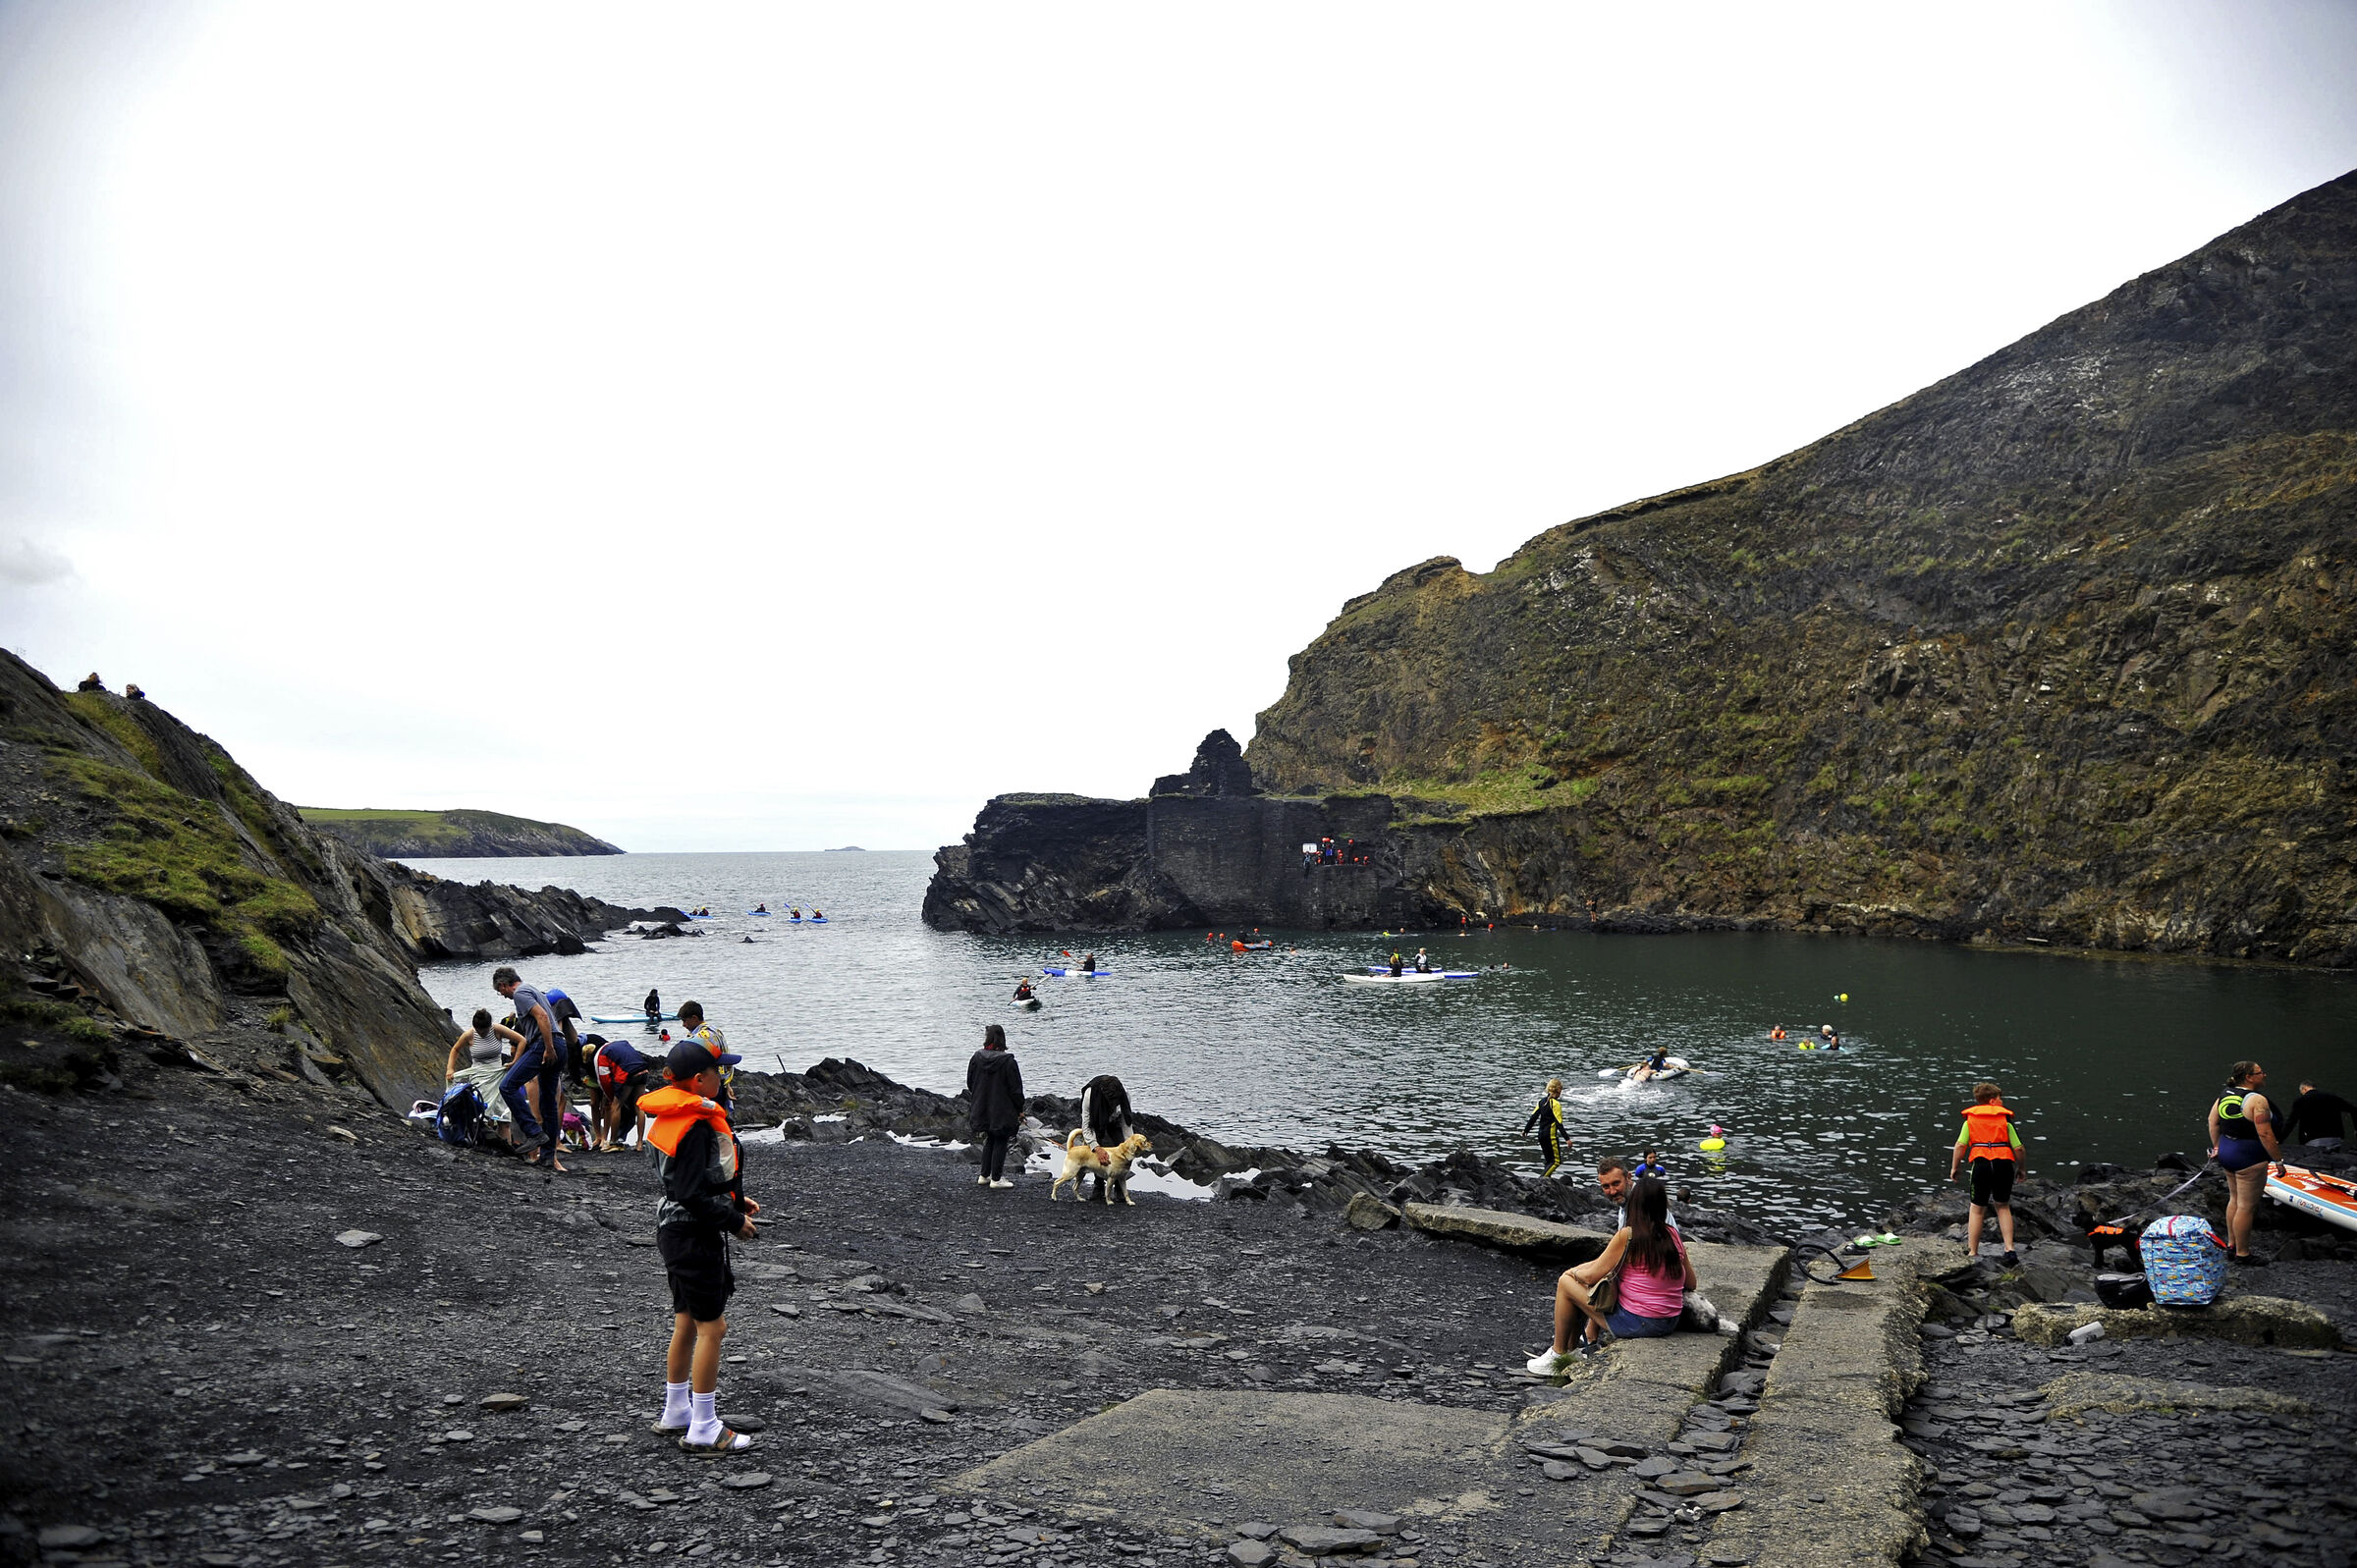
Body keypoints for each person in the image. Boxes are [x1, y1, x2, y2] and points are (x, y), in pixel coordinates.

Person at [640, 1039, 759, 1454]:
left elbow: (683, 1183)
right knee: (714, 1327)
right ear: (699, 1079)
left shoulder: (675, 1119)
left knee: (686, 1321)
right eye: (718, 1072)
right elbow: (690, 1192)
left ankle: (677, 1411)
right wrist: (732, 1219)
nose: (722, 1077)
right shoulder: (693, 1124)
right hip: (692, 1235)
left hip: (673, 1230)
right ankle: (705, 1426)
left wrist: (733, 1198)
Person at [1529, 1175, 1696, 1372]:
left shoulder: (1628, 1235)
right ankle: (1572, 1350)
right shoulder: (1673, 1235)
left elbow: (1592, 1275)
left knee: (1566, 1283)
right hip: (1669, 1320)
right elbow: (1691, 1283)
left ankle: (1557, 1354)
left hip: (1640, 1322)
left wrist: (1572, 1273)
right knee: (1577, 1285)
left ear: (1634, 1204)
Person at [2208, 1061, 2284, 1268]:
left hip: (2227, 1152)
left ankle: (2232, 1245)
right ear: (2249, 1077)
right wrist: (2278, 1160)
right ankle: (2243, 1253)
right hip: (2249, 1157)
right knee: (2246, 1206)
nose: (2264, 1075)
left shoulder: (2226, 1093)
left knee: (2234, 1199)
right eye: (2260, 1073)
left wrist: (2216, 1147)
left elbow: (2212, 1121)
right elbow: (2265, 1133)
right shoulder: (2257, 1100)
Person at [492, 967, 567, 1170]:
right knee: (548, 1104)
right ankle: (548, 1157)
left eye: (501, 992)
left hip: (545, 1044)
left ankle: (533, 1132)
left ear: (503, 985)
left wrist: (548, 1047)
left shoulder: (520, 993)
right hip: (560, 1044)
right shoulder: (532, 989)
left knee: (507, 1086)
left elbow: (542, 1017)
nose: (504, 996)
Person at [1947, 1080, 2021, 1266]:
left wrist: (1955, 1168)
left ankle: (1973, 1252)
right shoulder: (2005, 1121)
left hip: (1981, 1166)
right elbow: (2019, 1148)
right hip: (2003, 1166)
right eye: (1999, 1098)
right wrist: (2022, 1168)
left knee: (1977, 1208)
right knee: (2003, 1206)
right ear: (1992, 1101)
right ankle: (2009, 1249)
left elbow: (1960, 1146)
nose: (2002, 1102)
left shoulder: (1970, 1121)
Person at [444, 1008, 523, 1142]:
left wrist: (515, 1062)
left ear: (489, 1027)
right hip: (478, 1076)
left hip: (497, 1075)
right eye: (479, 1031)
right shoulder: (469, 1035)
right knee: (481, 1114)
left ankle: (506, 1148)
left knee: (503, 1116)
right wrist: (450, 1069)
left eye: (484, 1031)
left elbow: (522, 1040)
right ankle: (482, 1143)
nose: (481, 1033)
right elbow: (455, 1049)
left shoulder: (497, 1029)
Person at [967, 1024, 1025, 1189]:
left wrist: (979, 1098)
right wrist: (1020, 1109)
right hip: (1002, 1108)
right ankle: (996, 1178)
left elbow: (970, 1083)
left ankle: (984, 1175)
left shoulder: (977, 1057)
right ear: (1002, 1038)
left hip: (982, 1106)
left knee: (990, 1139)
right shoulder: (1008, 1061)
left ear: (988, 1038)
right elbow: (1016, 1090)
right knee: (1000, 1139)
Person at [591, 1035, 658, 1151]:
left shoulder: (601, 1055)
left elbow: (604, 1079)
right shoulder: (621, 1044)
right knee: (639, 1107)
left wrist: (610, 1096)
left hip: (628, 1074)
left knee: (616, 1106)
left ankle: (613, 1142)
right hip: (643, 1071)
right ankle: (640, 1143)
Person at [677, 1001, 734, 1110]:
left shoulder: (703, 1036)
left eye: (685, 1021)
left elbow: (698, 1064)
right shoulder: (716, 1031)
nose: (683, 1025)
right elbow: (726, 1057)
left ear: (694, 1018)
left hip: (709, 1085)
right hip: (720, 1081)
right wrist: (727, 1084)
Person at [2286, 1081, 2355, 1148]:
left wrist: (2280, 1139)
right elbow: (2353, 1110)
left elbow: (2291, 1122)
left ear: (2304, 1089)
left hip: (2313, 1139)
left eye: (2301, 1092)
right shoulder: (2332, 1097)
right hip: (2336, 1137)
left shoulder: (2301, 1101)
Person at [1522, 1079, 1567, 1177]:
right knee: (1556, 1161)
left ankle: (1547, 1180)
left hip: (1541, 1135)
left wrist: (1526, 1130)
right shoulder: (1555, 1104)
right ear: (1558, 1090)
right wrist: (1567, 1139)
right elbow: (1559, 1123)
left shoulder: (1541, 1101)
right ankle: (1542, 1180)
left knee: (1548, 1161)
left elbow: (1533, 1117)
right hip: (1550, 1136)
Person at [1079, 1073, 1132, 1147]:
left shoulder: (1125, 1095)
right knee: (1096, 1150)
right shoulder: (1090, 1095)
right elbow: (1086, 1125)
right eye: (1112, 1102)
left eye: (1116, 1102)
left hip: (1115, 1119)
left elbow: (1126, 1122)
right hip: (1096, 1116)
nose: (1113, 1104)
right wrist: (1094, 1146)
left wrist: (1129, 1145)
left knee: (1121, 1146)